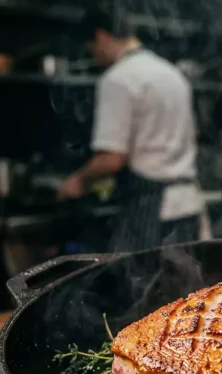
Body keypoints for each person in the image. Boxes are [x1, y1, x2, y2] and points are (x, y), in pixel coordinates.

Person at [59, 5, 209, 252]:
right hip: (188, 207)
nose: (94, 56)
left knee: (145, 289)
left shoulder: (117, 79)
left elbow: (112, 159)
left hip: (153, 213)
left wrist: (77, 182)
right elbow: (192, 139)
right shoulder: (173, 74)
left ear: (101, 36)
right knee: (189, 287)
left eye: (92, 49)